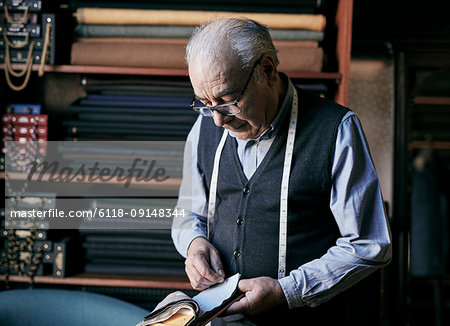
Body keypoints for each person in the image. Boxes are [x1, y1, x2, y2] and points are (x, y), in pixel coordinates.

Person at [172, 18, 392, 325]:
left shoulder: (337, 129)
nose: (217, 120)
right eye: (205, 103)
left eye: (227, 100)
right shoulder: (205, 126)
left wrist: (285, 291)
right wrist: (194, 244)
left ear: (267, 70)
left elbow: (369, 244)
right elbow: (187, 213)